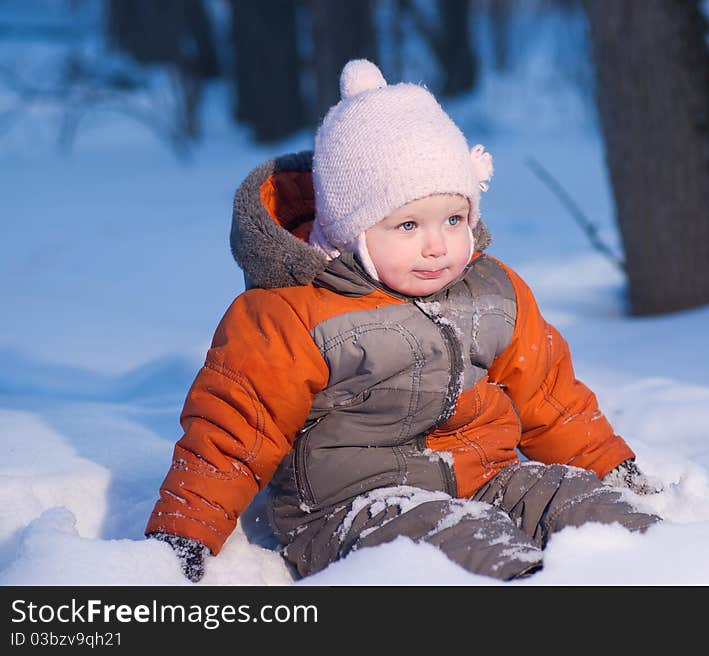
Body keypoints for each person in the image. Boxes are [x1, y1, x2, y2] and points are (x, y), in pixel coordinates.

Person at [146, 59, 661, 583]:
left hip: (485, 478)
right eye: (409, 224)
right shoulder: (290, 313)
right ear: (351, 229)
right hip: (351, 510)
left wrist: (609, 467)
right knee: (472, 547)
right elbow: (235, 430)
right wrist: (181, 534)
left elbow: (550, 397)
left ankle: (674, 568)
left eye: (453, 220)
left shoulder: (492, 290)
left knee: (590, 512)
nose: (437, 245)